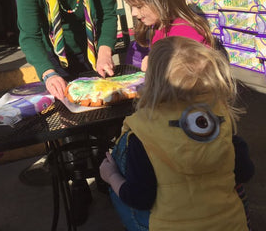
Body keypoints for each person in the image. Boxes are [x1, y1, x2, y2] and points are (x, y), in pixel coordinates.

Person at [16, 0, 118, 225]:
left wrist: (104, 53)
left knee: (103, 120)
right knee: (70, 128)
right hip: (54, 59)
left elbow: (109, 14)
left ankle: (106, 173)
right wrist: (47, 73)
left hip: (92, 56)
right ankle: (77, 183)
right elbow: (29, 36)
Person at [100, 36, 254, 231]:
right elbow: (245, 172)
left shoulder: (143, 133)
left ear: (152, 83)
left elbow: (140, 198)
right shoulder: (219, 120)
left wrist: (111, 176)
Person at [118, 0, 215, 71]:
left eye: (139, 6)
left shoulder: (185, 33)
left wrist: (156, 66)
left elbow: (194, 78)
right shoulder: (159, 27)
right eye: (131, 6)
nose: (133, 13)